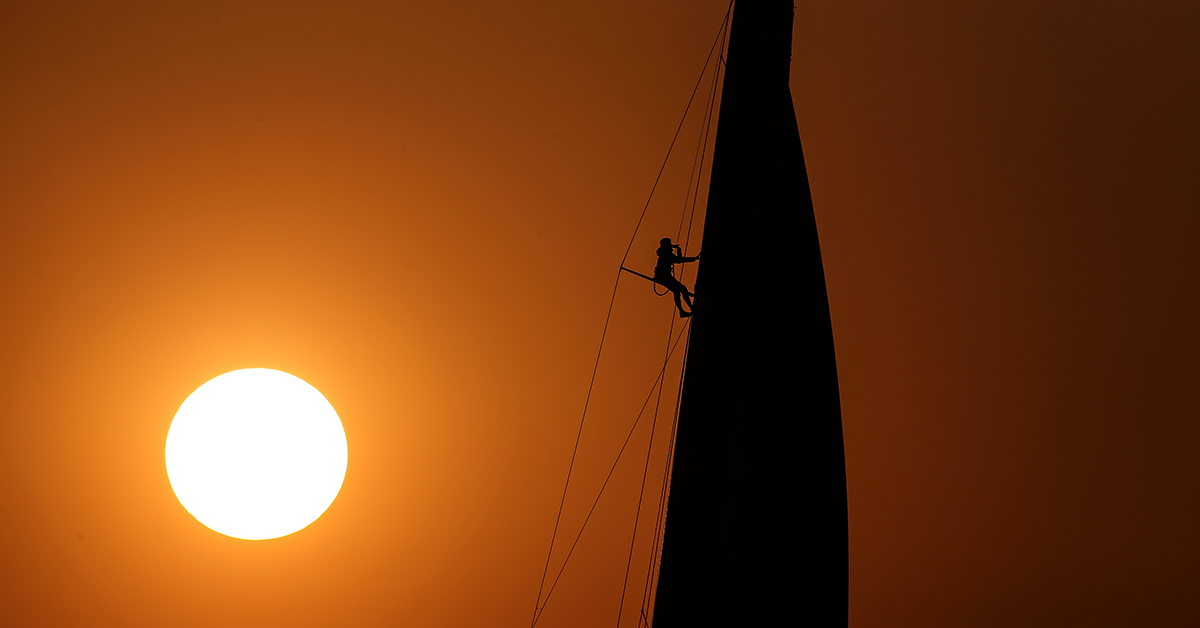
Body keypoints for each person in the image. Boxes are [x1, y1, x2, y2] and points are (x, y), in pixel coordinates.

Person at [654, 237, 699, 318]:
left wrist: (679, 250)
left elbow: (678, 259)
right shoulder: (666, 254)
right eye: (670, 243)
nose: (671, 245)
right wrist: (694, 259)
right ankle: (689, 308)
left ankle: (684, 310)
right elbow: (679, 260)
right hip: (664, 277)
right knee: (681, 289)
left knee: (678, 291)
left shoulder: (665, 253)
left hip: (665, 277)